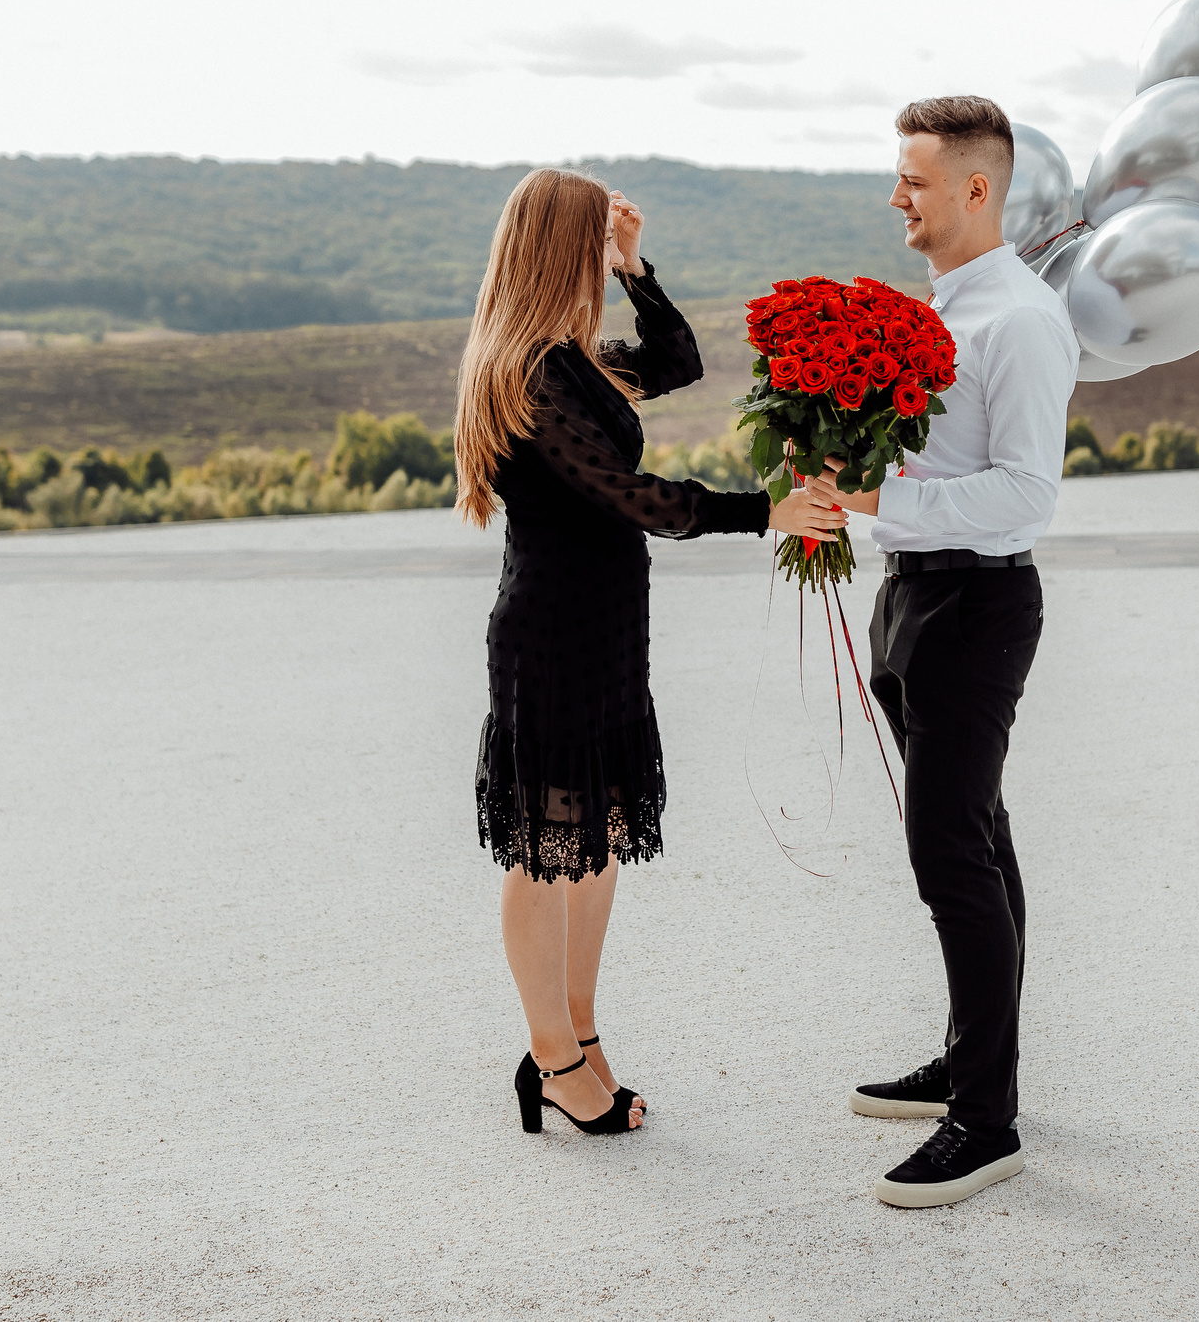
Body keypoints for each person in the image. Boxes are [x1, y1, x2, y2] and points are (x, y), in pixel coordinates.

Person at [455, 166, 846, 1138]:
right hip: (548, 639)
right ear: (555, 249)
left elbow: (676, 361)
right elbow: (634, 502)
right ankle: (548, 1060)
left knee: (592, 845)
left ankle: (579, 1039)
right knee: (547, 852)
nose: (601, 253)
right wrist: (764, 510)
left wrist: (634, 265)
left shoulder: (572, 357)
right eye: (591, 242)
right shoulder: (531, 374)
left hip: (604, 635)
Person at [811, 96, 1078, 1207]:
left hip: (976, 609)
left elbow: (1025, 492)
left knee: (948, 857)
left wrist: (873, 494)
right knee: (974, 838)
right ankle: (973, 1059)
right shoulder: (942, 312)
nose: (895, 197)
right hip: (913, 598)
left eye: (912, 180)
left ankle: (987, 1123)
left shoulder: (1014, 319)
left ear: (975, 189)